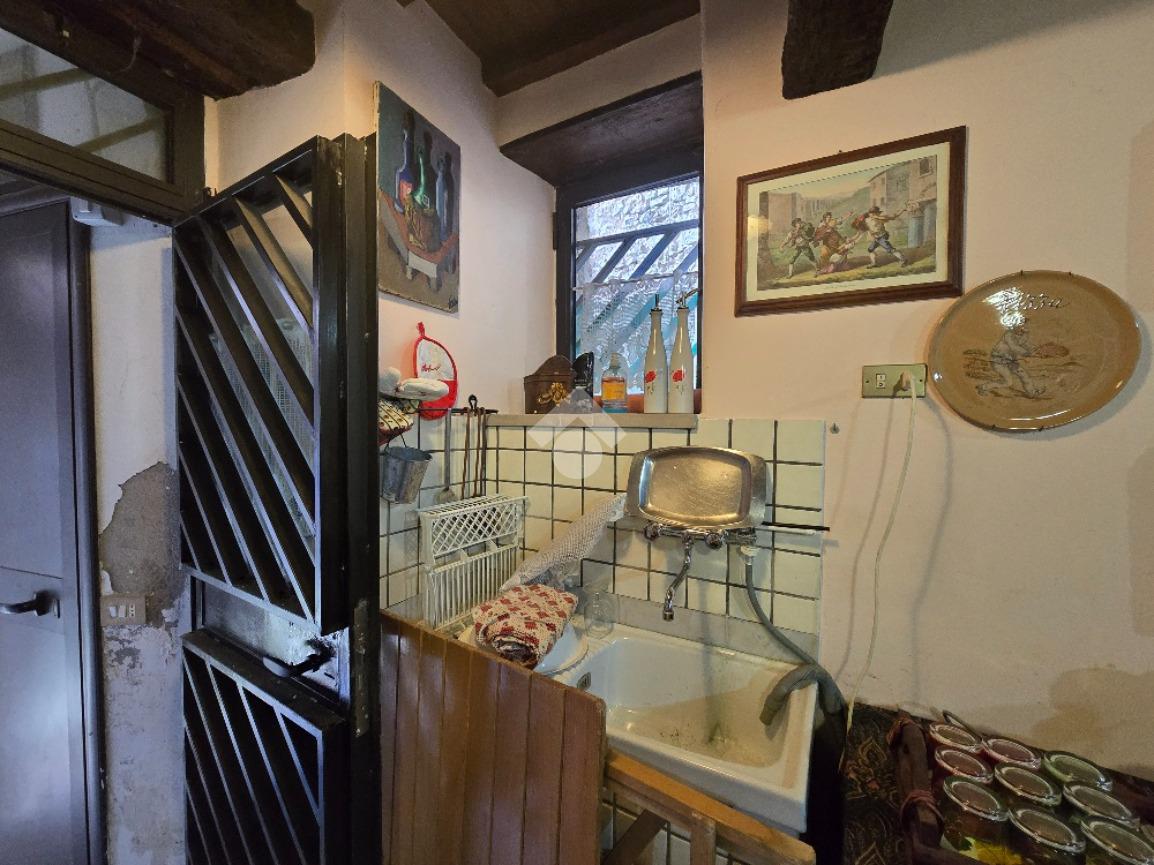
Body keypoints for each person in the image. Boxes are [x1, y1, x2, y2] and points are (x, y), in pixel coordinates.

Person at [977, 321, 1042, 397]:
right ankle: (983, 387)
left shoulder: (1022, 336)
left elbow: (1025, 344)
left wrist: (1035, 351)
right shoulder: (1009, 334)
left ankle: (1032, 392)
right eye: (1021, 326)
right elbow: (1014, 347)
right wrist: (1027, 353)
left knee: (1024, 375)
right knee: (1007, 382)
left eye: (1024, 326)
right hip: (998, 361)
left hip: (1010, 361)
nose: (1023, 328)